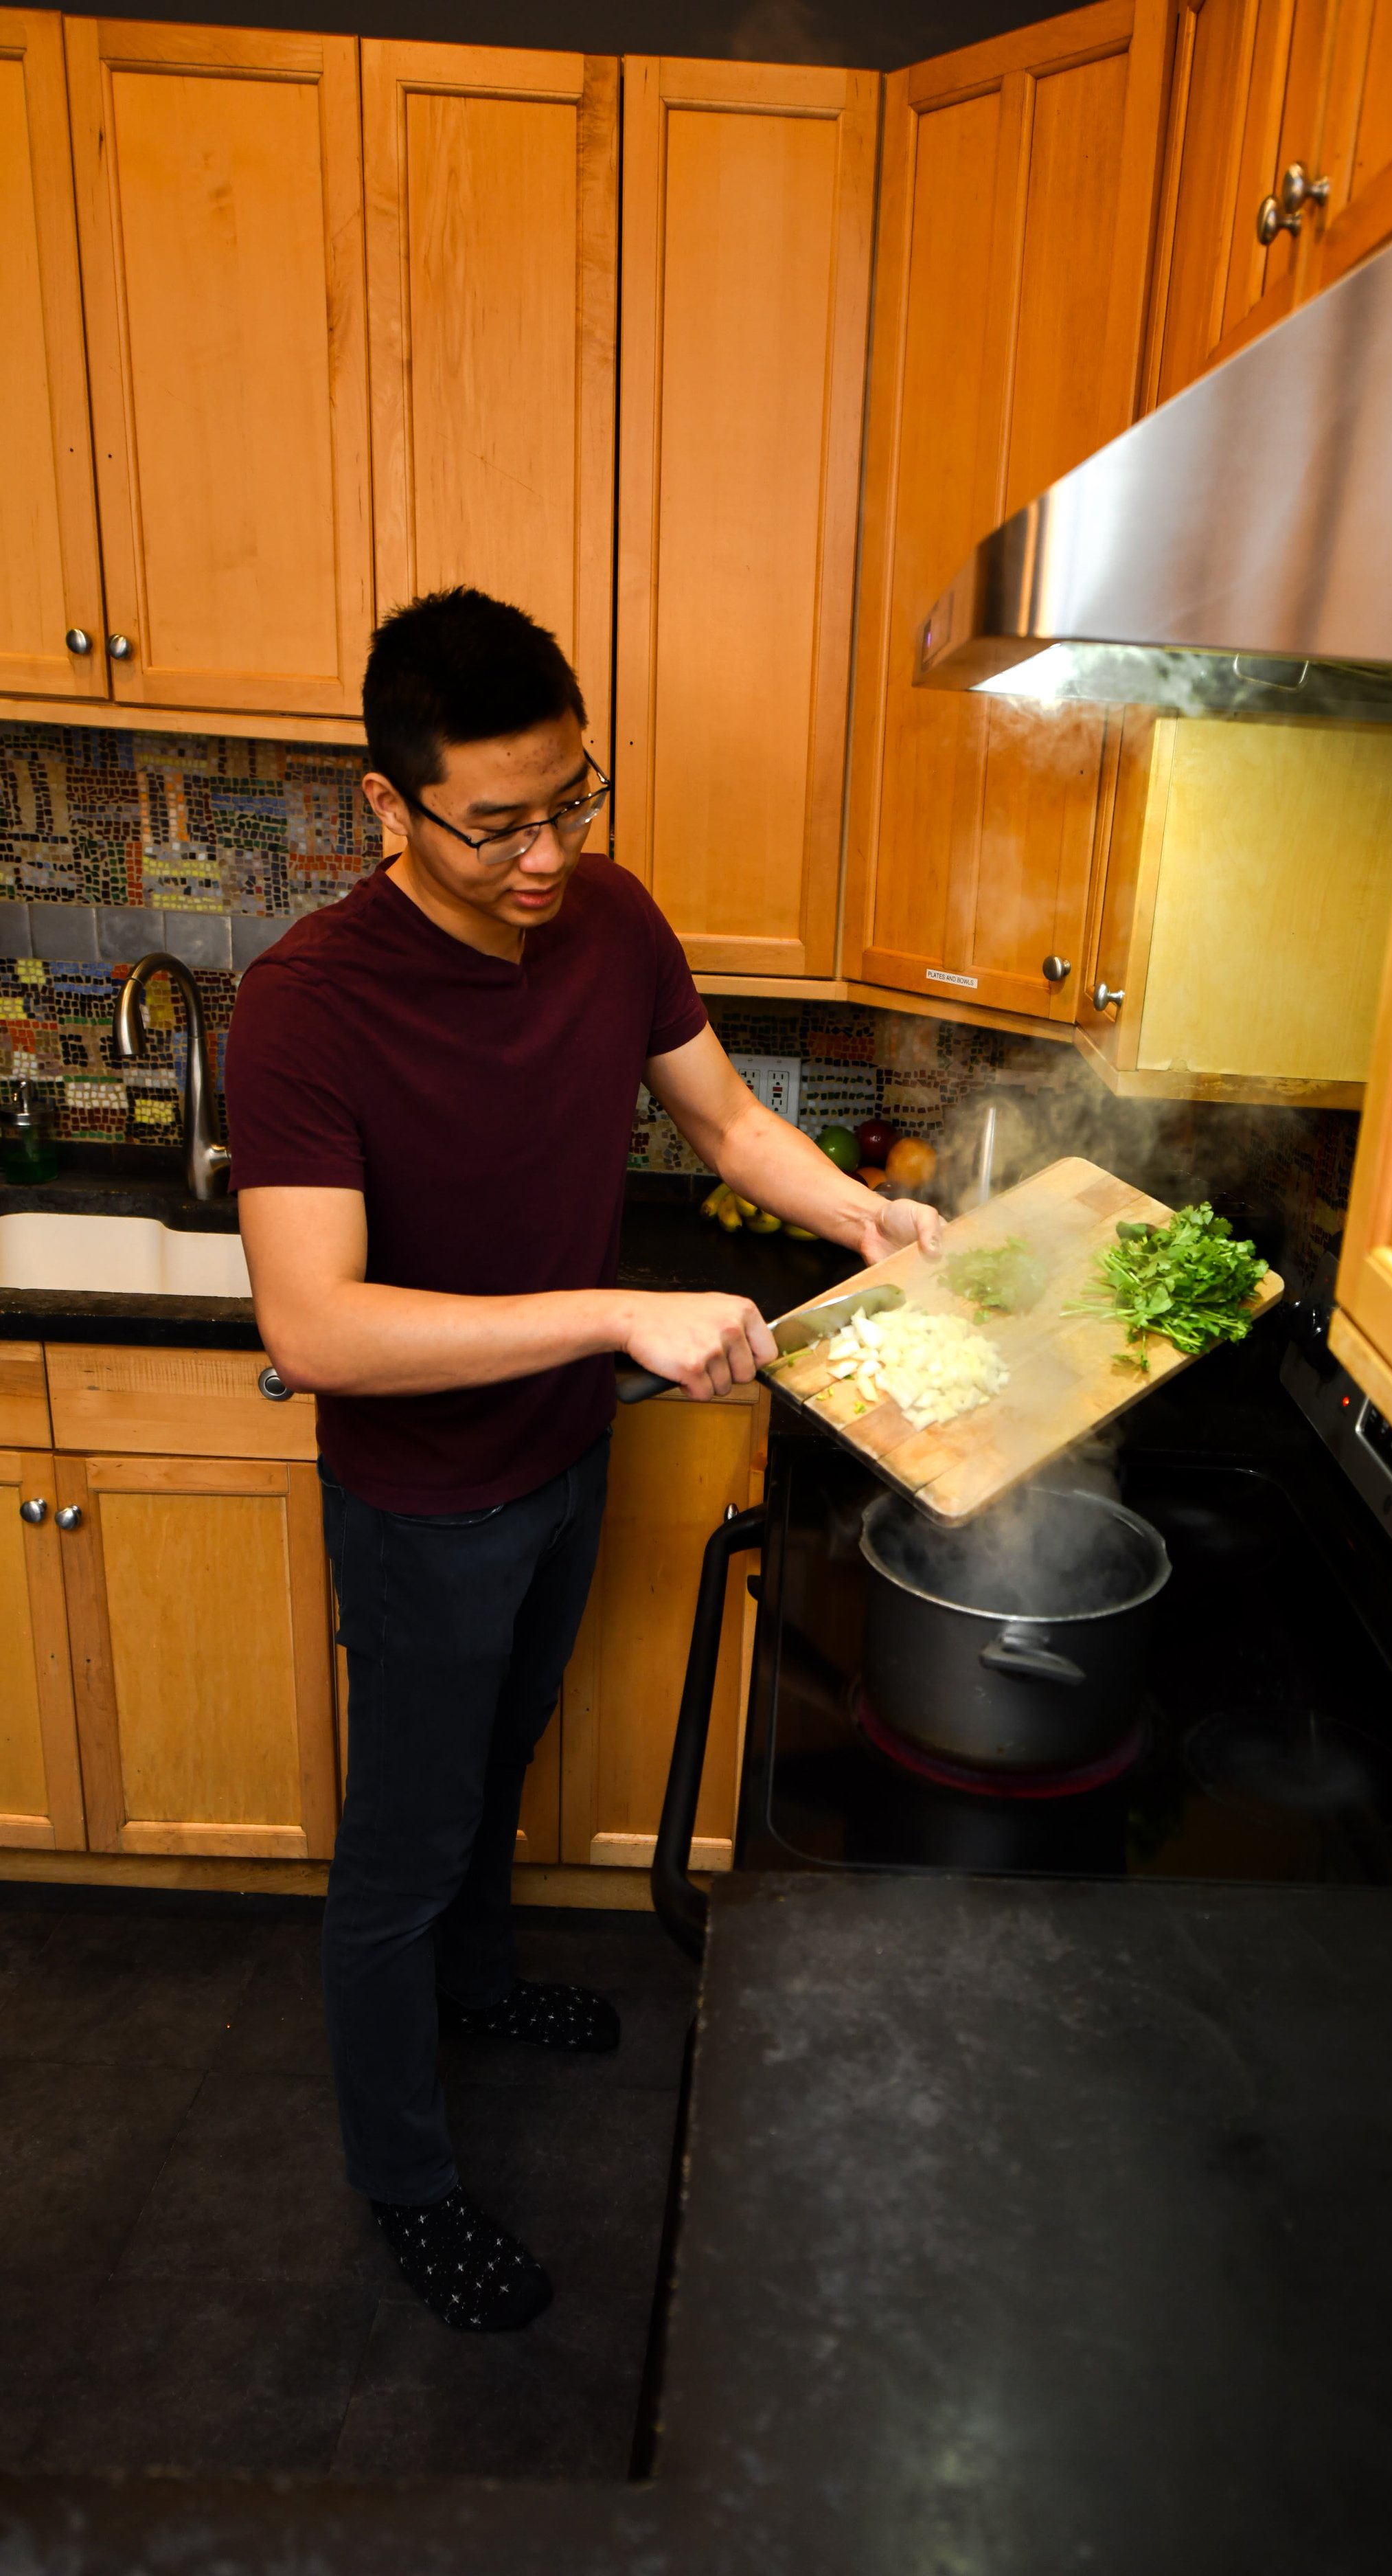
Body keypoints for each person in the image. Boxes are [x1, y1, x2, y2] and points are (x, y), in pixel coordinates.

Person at [225, 587, 942, 2334]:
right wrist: (616, 1310)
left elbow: (727, 1119)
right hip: (419, 1505)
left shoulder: (611, 917)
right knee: (401, 1851)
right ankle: (405, 2180)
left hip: (560, 1465)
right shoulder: (306, 1006)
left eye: (570, 802)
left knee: (500, 1759)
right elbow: (314, 1328)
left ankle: (481, 1986)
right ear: (384, 805)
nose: (544, 856)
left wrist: (867, 1217)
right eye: (496, 826)